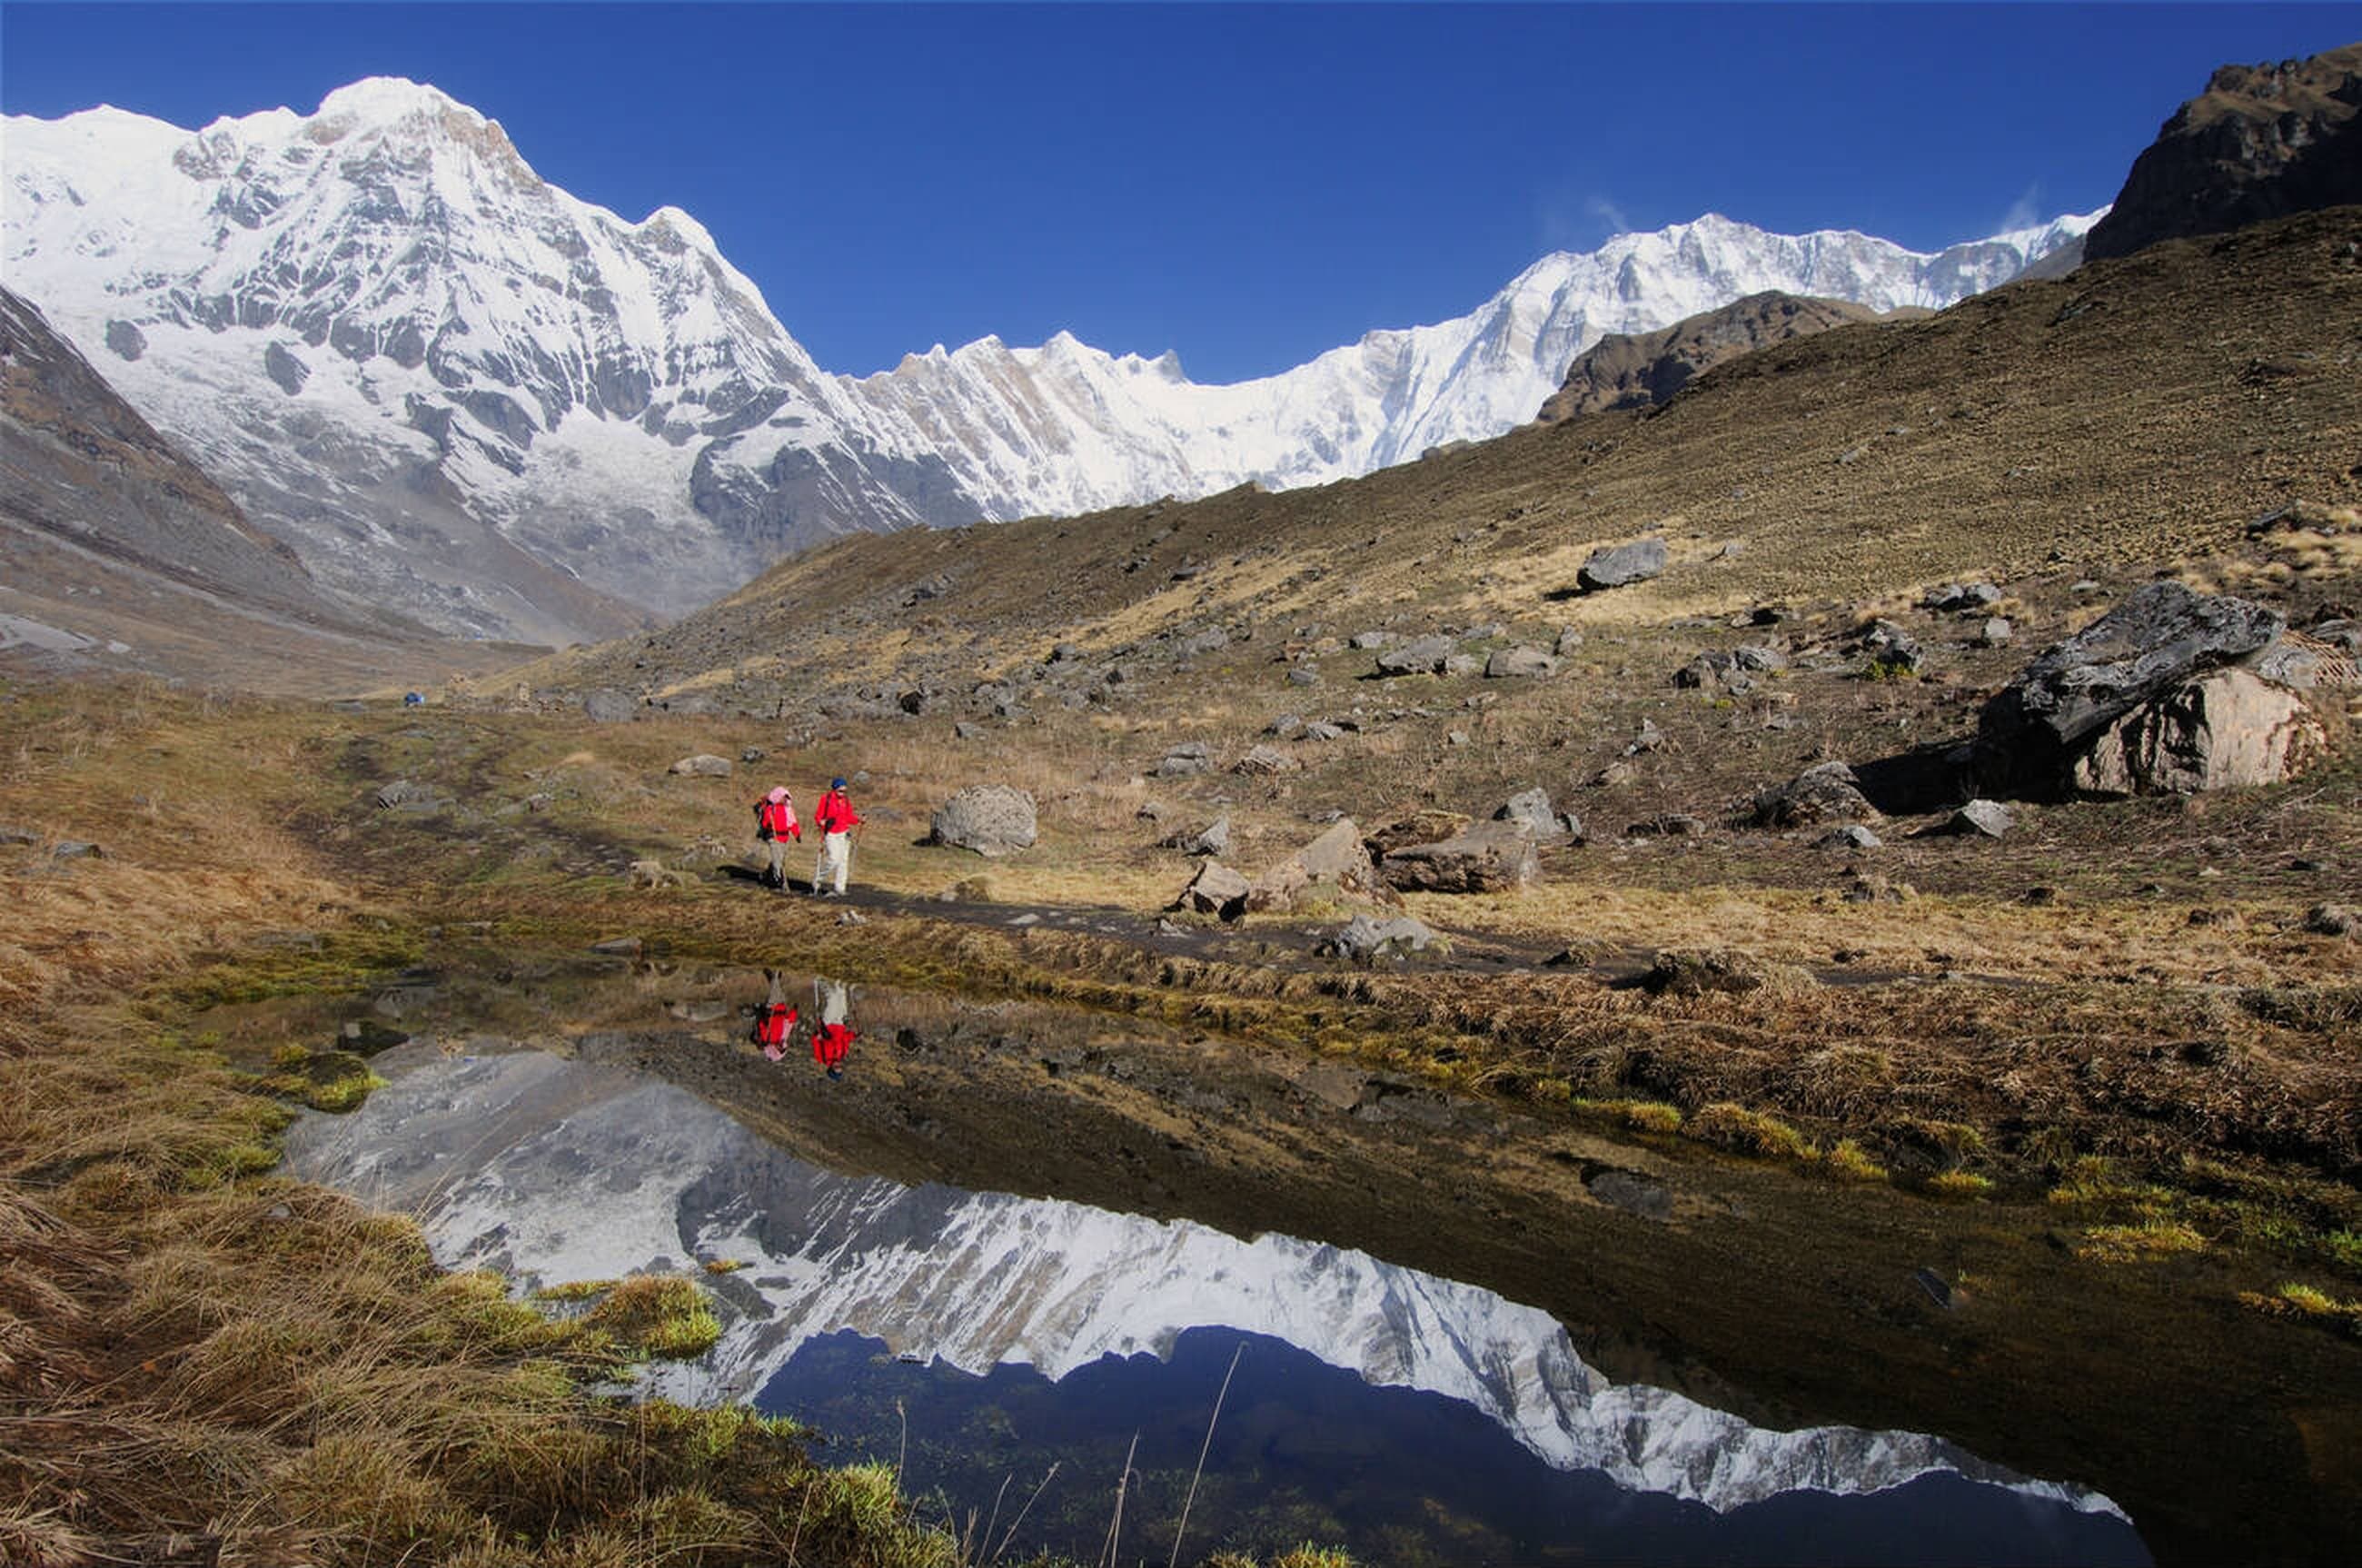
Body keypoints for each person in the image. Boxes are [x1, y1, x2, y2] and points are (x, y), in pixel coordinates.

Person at [810, 777, 861, 898]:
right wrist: (821, 822)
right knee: (834, 859)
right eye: (840, 791)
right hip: (831, 833)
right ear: (834, 789)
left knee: (843, 861)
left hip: (844, 833)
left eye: (844, 791)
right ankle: (818, 879)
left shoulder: (845, 801)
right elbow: (818, 816)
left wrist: (859, 820)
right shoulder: (826, 799)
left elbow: (849, 817)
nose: (842, 793)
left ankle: (840, 888)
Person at [753, 786, 801, 889]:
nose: (785, 799)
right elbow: (766, 823)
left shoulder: (788, 809)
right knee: (777, 860)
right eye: (784, 797)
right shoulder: (771, 809)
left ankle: (768, 875)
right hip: (774, 837)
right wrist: (769, 825)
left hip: (784, 837)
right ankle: (778, 881)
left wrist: (797, 834)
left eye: (787, 797)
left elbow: (793, 823)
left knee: (780, 859)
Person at [811, 977, 855, 1078]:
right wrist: (853, 1035)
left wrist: (817, 1037)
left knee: (832, 998)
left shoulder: (822, 1058)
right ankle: (839, 984)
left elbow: (816, 1042)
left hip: (828, 1025)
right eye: (840, 1067)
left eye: (836, 1067)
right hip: (840, 1026)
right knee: (841, 1001)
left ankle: (821, 981)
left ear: (831, 1068)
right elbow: (845, 1041)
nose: (838, 1064)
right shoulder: (842, 1054)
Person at [750, 977, 799, 1063]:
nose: (781, 1047)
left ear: (775, 1050)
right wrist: (794, 1012)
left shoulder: (767, 1039)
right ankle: (774, 978)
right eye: (782, 1049)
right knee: (777, 989)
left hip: (772, 1008)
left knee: (775, 989)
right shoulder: (783, 1039)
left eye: (780, 1050)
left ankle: (774, 976)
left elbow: (761, 1024)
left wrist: (760, 1012)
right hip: (781, 1008)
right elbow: (789, 1024)